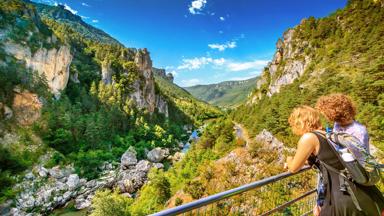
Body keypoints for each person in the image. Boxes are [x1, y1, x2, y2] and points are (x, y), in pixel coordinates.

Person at [286, 105, 384, 216]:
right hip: (364, 192)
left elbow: (294, 168)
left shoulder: (309, 138)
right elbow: (327, 159)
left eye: (293, 124)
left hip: (343, 198)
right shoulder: (328, 134)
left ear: (300, 122)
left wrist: (289, 160)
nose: (293, 128)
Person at [314, 93, 371, 215]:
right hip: (337, 175)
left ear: (334, 112)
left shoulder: (359, 131)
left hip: (352, 177)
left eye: (326, 113)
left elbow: (360, 159)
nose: (327, 117)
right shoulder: (338, 125)